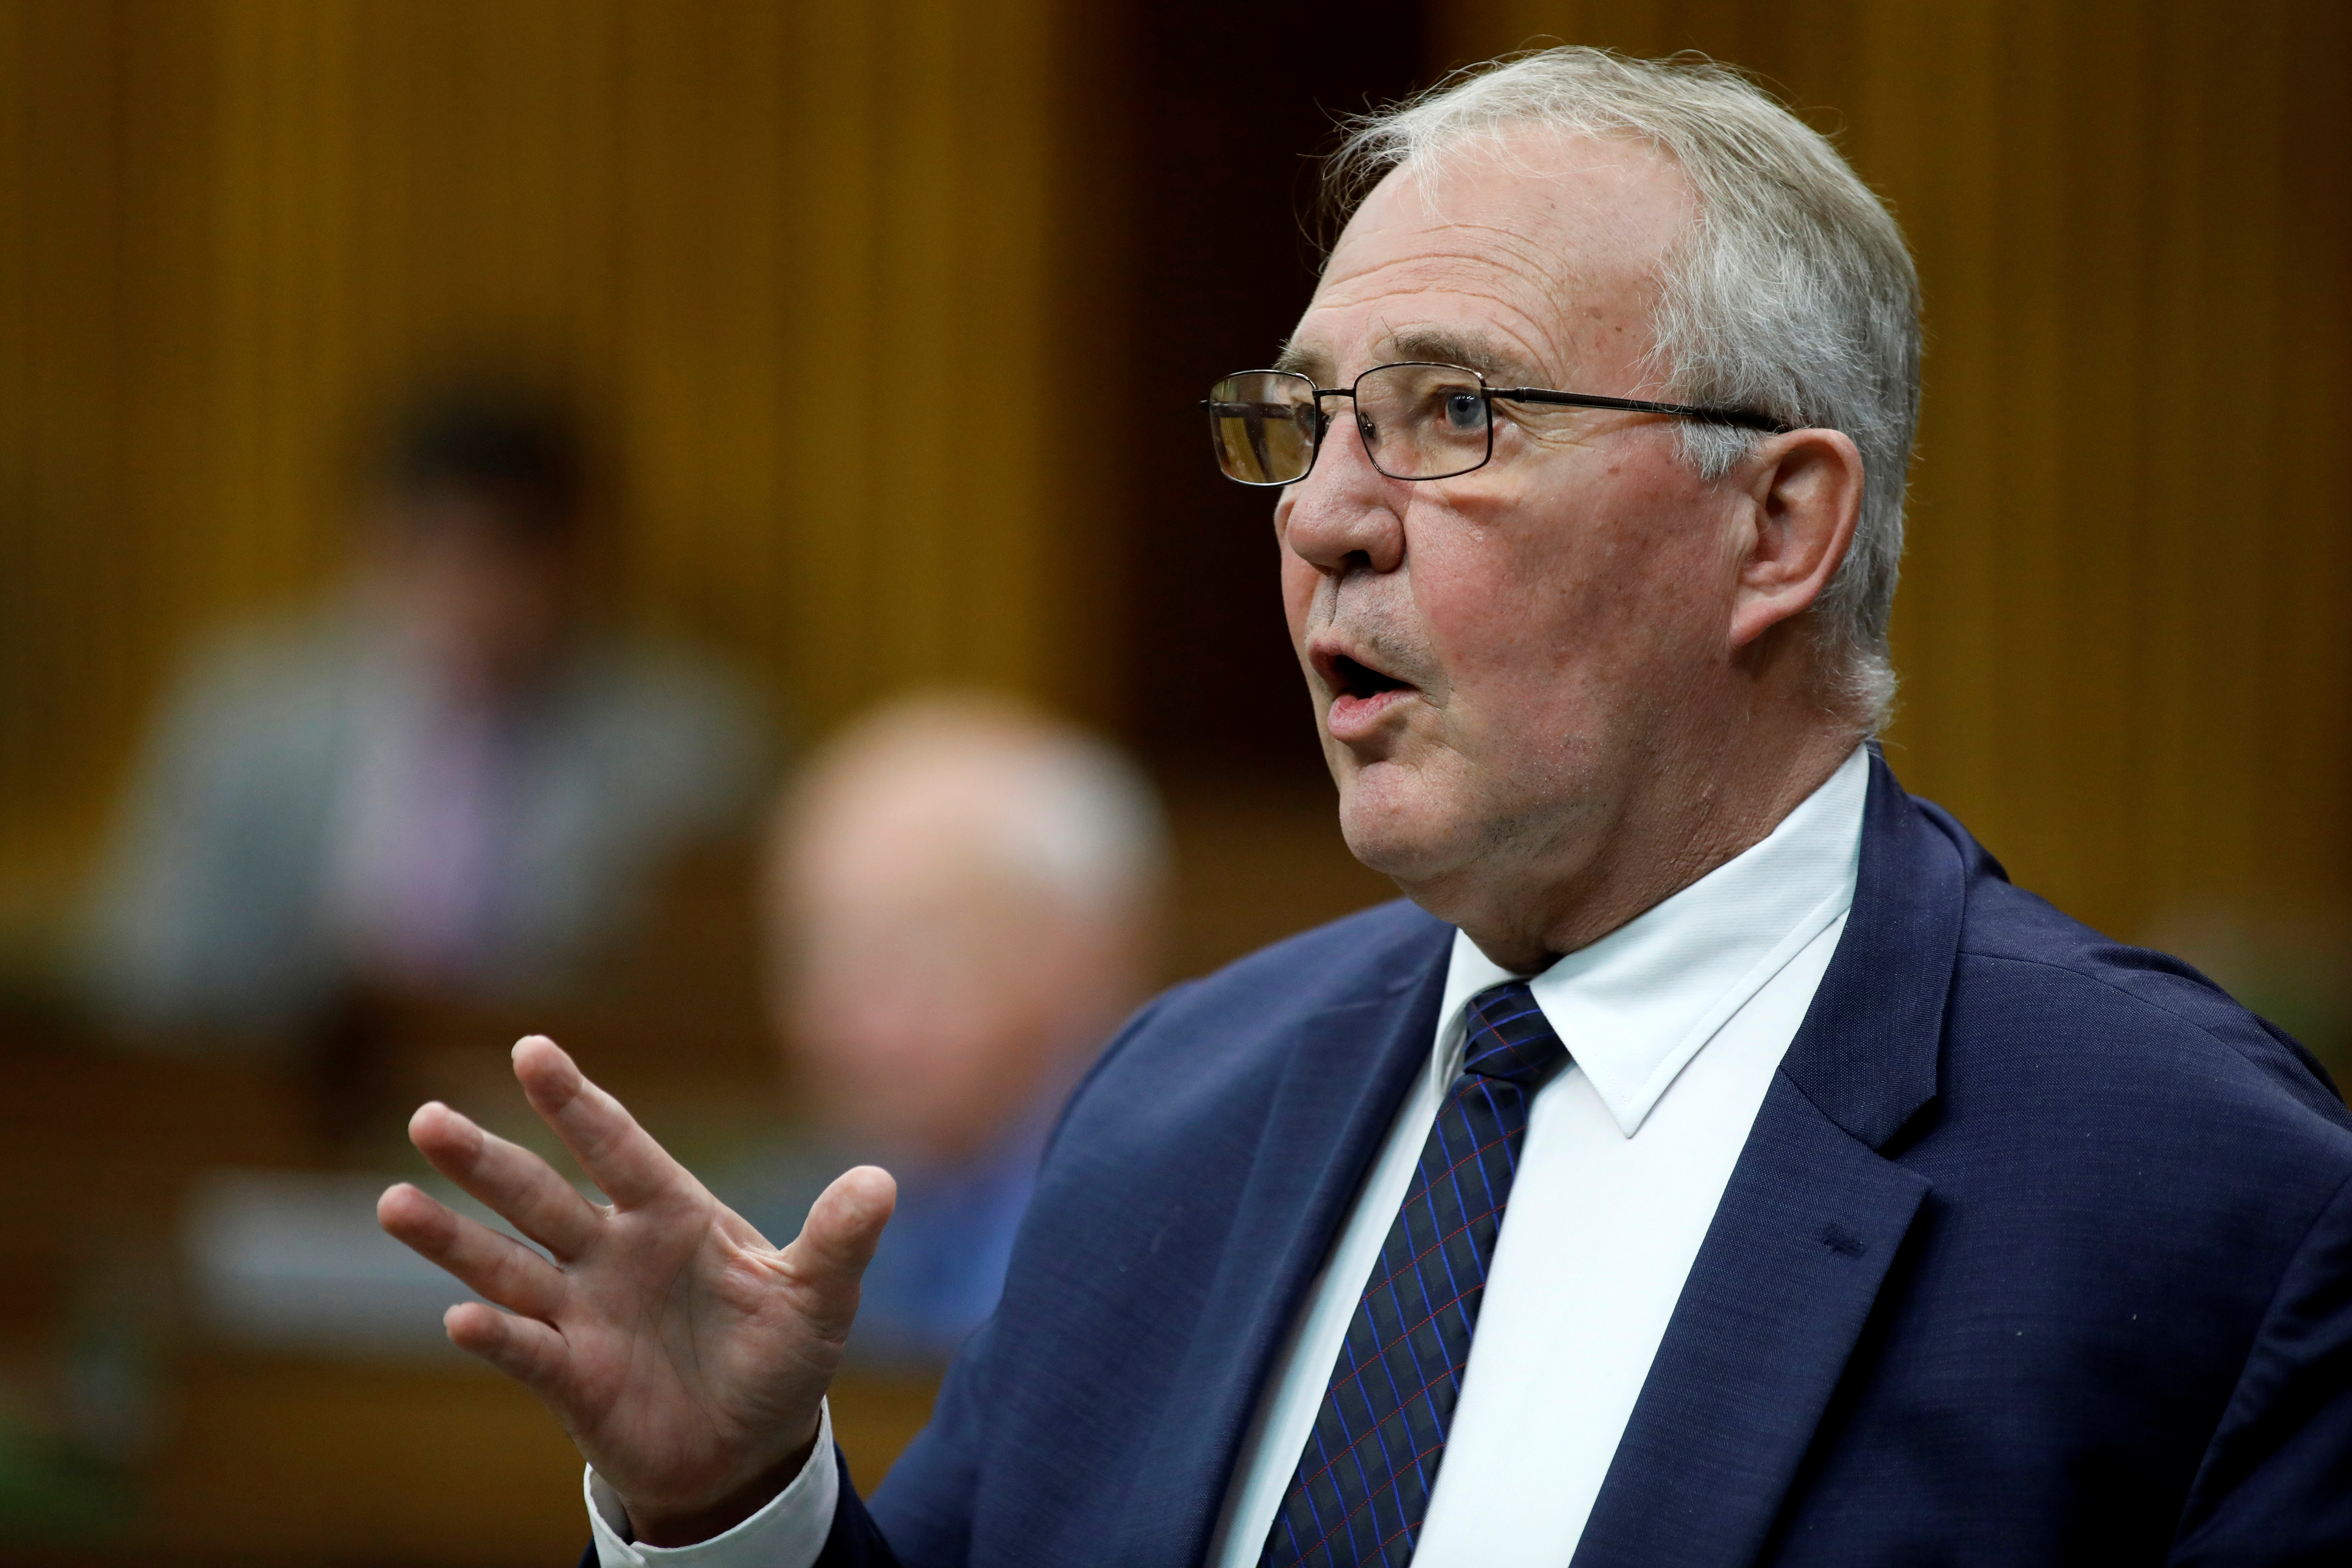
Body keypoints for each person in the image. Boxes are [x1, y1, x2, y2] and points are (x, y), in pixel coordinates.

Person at [377, 49, 2352, 1566]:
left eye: (1451, 412)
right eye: (1307, 420)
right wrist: (735, 1505)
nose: (1321, 516)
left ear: (1777, 523)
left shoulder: (2194, 1196)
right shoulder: (1178, 1103)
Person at [85, 383, 770, 1042]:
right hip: (284, 1102)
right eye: (427, 547)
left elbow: (698, 1008)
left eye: (501, 552)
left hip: (553, 1110)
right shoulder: (248, 713)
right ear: (370, 543)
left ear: (575, 556)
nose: (465, 589)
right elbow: (153, 968)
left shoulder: (691, 740)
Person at [724, 691, 1165, 1366]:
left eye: (923, 957)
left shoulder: (1186, 1232)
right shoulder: (755, 1237)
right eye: (815, 954)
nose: (857, 1021)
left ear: (1086, 956)